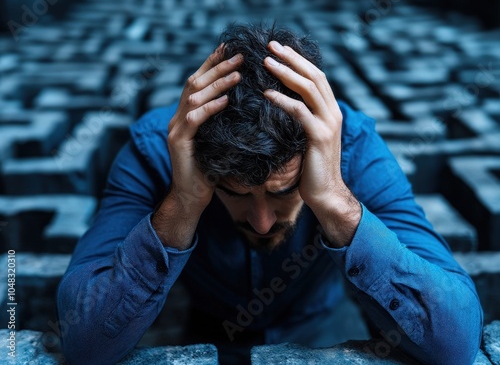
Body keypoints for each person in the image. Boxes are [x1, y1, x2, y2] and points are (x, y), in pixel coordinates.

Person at [57, 23, 483, 365]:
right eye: (234, 193)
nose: (261, 222)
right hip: (208, 334)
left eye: (284, 192)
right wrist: (184, 201)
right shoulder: (156, 150)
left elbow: (455, 344)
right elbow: (84, 343)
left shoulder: (353, 147)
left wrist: (334, 198)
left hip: (326, 334)